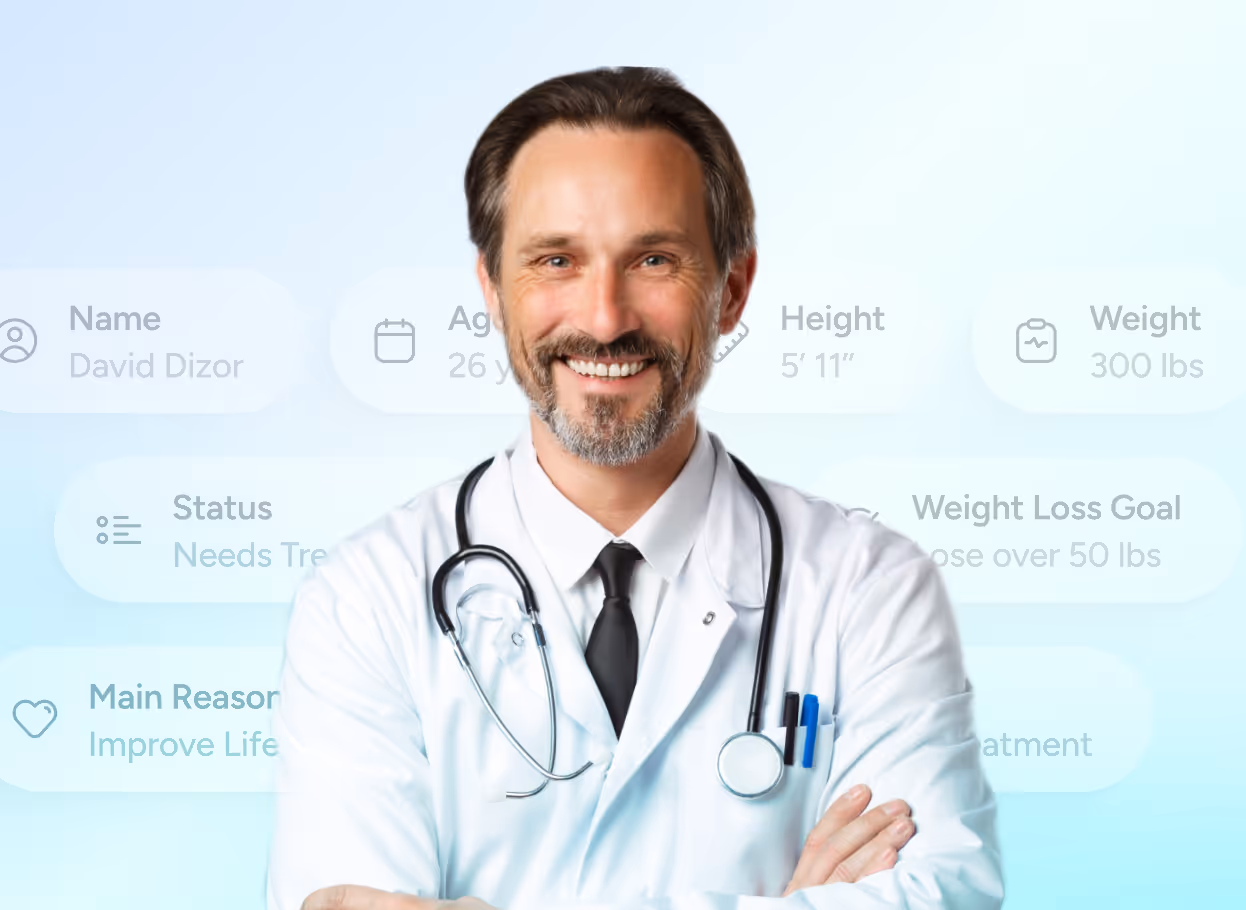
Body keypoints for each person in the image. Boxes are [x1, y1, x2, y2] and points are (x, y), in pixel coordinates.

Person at [267, 67, 1002, 910]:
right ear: (491, 291)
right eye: (556, 260)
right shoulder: (369, 595)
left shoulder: (868, 587)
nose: (607, 317)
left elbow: (946, 890)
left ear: (731, 289)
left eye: (654, 259)